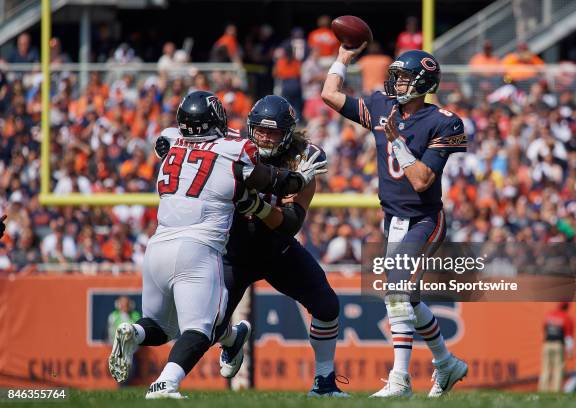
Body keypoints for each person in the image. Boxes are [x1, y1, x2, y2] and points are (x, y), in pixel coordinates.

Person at [107, 91, 325, 399]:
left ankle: (136, 332)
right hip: (200, 248)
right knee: (200, 328)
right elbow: (274, 181)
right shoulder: (235, 150)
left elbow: (165, 140)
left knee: (162, 327)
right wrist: (299, 180)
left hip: (157, 244)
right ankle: (165, 382)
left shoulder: (172, 140)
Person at [155, 95, 345, 396]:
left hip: (277, 249)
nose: (266, 138)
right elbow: (174, 138)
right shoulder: (233, 149)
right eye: (260, 131)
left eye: (274, 132)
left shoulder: (303, 159)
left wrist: (255, 206)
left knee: (327, 305)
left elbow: (291, 222)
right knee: (208, 326)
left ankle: (323, 382)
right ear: (249, 128)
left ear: (288, 133)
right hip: (234, 252)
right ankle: (226, 343)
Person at [321, 44, 468, 397]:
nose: (396, 83)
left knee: (397, 291)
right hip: (392, 219)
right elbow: (329, 93)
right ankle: (447, 364)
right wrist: (342, 58)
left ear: (422, 82)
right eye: (396, 76)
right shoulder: (381, 106)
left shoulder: (444, 122)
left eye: (403, 78)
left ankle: (400, 380)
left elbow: (420, 181)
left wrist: (397, 142)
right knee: (408, 299)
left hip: (423, 219)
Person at [538, 302, 575, 392]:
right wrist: (570, 351)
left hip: (547, 344)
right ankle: (556, 391)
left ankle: (543, 390)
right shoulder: (566, 318)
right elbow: (568, 337)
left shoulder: (549, 315)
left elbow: (544, 329)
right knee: (558, 369)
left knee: (545, 368)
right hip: (558, 345)